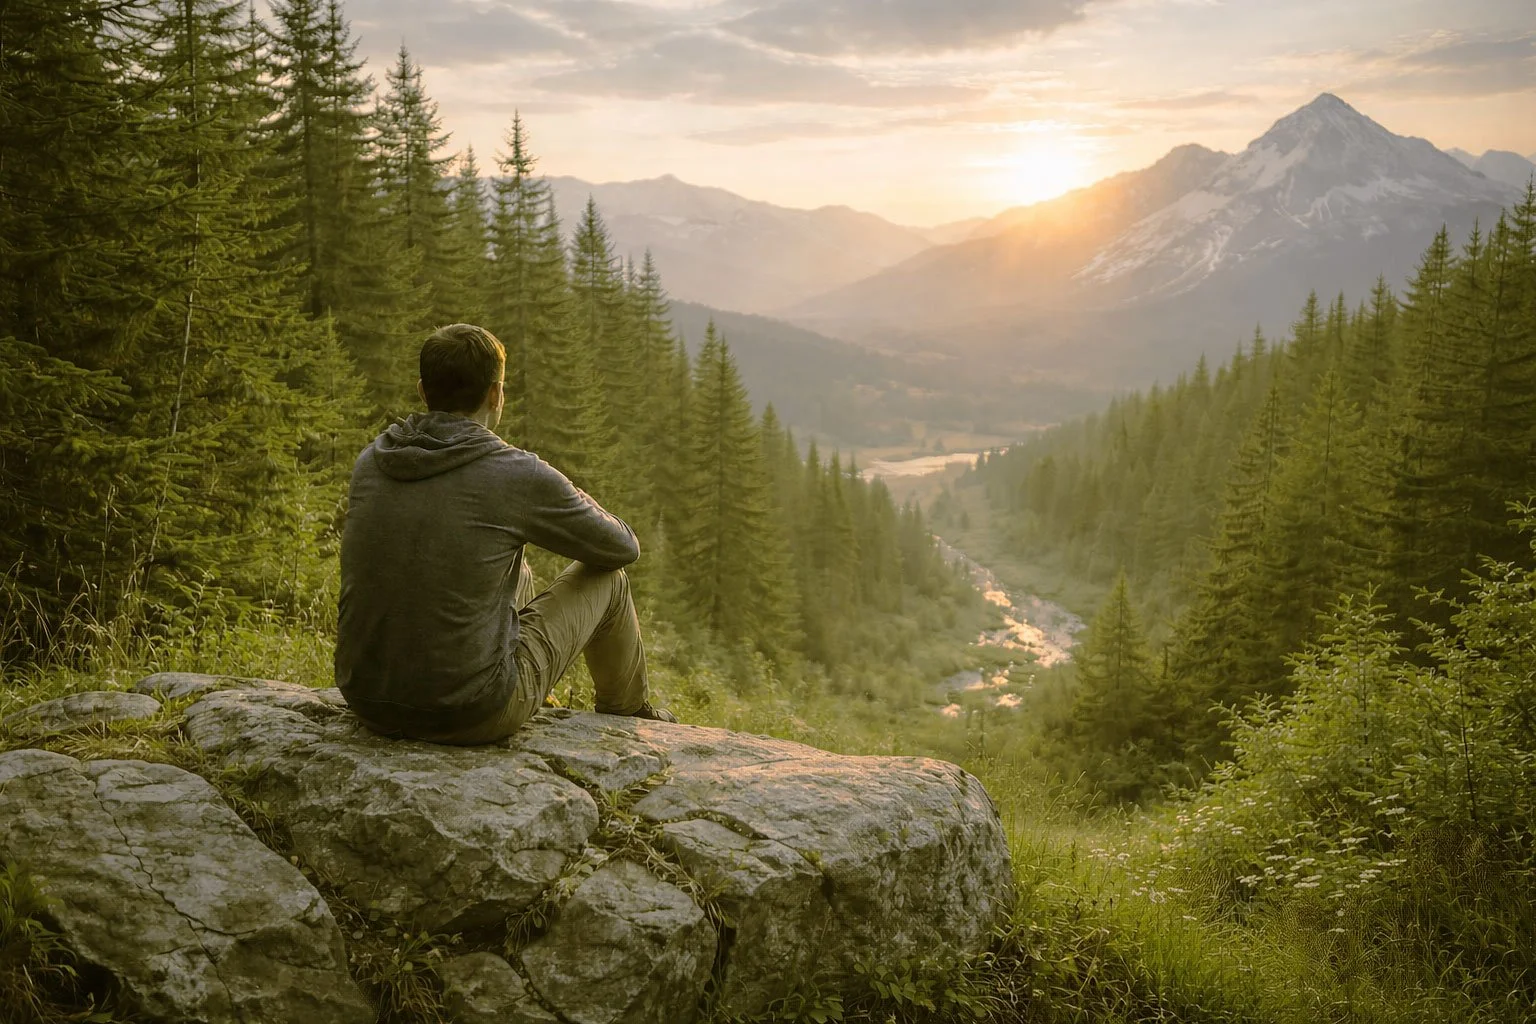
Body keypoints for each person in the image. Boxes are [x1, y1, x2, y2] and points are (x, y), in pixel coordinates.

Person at [334, 323, 676, 744]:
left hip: (366, 700)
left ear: (423, 391)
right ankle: (627, 717)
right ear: (496, 394)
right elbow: (622, 548)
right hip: (468, 713)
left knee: (519, 570)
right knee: (610, 581)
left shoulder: (372, 459)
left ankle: (538, 693)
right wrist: (565, 487)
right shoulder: (514, 473)